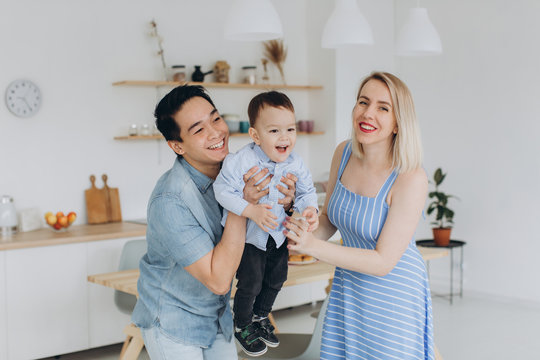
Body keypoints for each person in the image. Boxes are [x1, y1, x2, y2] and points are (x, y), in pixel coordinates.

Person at [131, 85, 297, 360]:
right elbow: (219, 280)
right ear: (177, 145)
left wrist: (287, 204)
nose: (216, 133)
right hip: (175, 323)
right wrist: (241, 205)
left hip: (217, 317)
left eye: (216, 119)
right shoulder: (171, 200)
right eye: (198, 130)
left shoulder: (234, 169)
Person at [284, 71, 435, 359]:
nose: (368, 113)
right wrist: (300, 229)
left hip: (394, 297)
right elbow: (329, 218)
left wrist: (314, 247)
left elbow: (383, 262)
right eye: (363, 102)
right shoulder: (344, 153)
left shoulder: (410, 177)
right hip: (349, 288)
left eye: (383, 107)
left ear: (397, 123)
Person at [213, 91, 319, 357]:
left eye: (290, 129)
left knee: (277, 278)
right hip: (250, 238)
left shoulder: (296, 162)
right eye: (274, 130)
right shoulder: (241, 161)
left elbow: (306, 192)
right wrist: (250, 210)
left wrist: (310, 210)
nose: (285, 137)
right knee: (251, 282)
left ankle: (261, 317)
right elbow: (222, 191)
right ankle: (243, 324)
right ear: (255, 136)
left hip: (278, 236)